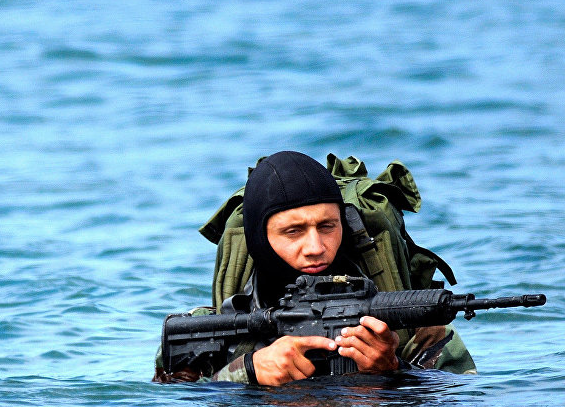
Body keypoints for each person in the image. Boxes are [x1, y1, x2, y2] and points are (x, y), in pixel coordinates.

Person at [154, 151, 475, 385]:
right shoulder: (204, 333)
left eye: (327, 226)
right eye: (292, 231)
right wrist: (246, 373)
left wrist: (393, 369)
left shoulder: (412, 326)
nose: (315, 247)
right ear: (258, 239)